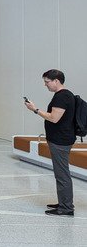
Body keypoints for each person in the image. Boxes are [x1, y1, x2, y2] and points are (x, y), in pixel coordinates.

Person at [24, 69, 76, 216]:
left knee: (62, 174)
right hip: (61, 139)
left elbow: (54, 118)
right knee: (60, 173)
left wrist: (35, 110)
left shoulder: (62, 96)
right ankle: (63, 202)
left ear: (56, 81)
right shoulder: (64, 95)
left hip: (61, 140)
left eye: (47, 82)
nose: (46, 85)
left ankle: (66, 207)